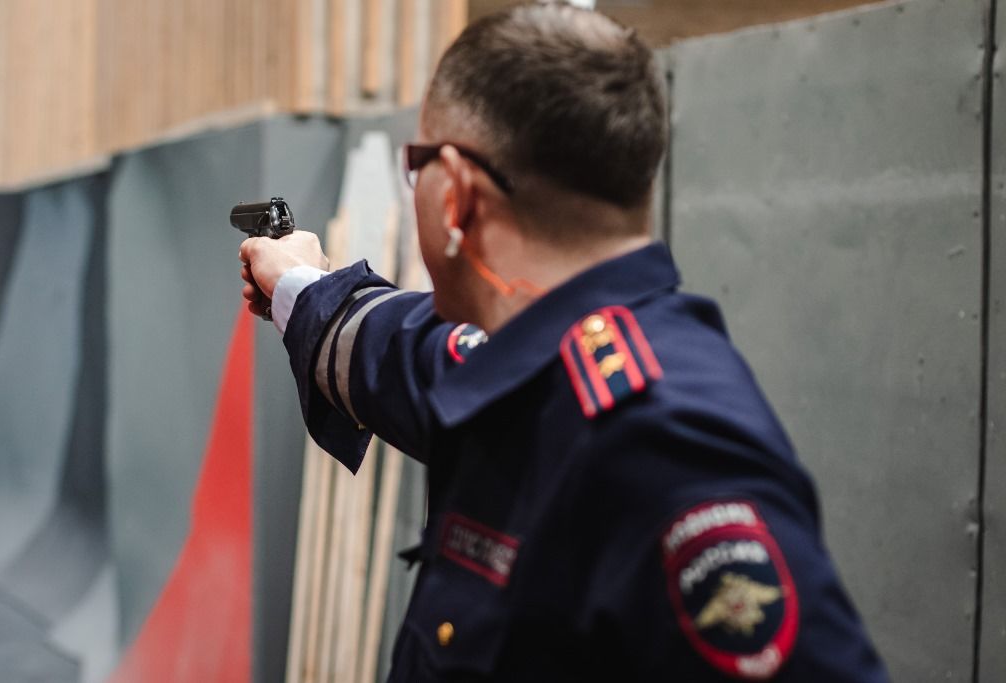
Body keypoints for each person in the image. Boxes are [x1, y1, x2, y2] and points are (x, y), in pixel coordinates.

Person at [238, 3, 889, 680]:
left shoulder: (664, 447)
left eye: (417, 166)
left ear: (455, 195)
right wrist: (299, 282)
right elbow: (393, 348)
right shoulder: (524, 365)